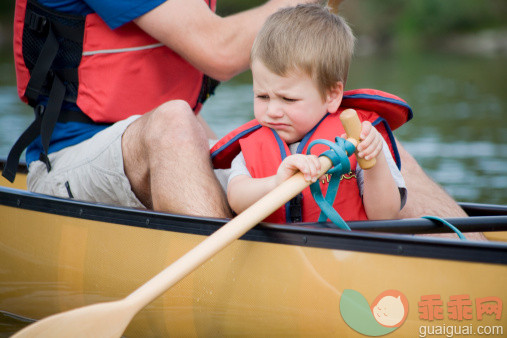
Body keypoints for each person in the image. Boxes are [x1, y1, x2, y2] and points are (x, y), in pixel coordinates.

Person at [5, 0, 324, 219]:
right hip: (65, 164)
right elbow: (219, 50)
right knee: (174, 120)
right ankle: (221, 295)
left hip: (161, 146)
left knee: (260, 155)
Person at [214, 4, 407, 223]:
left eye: (289, 99)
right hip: (279, 253)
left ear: (332, 96)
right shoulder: (253, 147)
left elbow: (386, 215)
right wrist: (276, 183)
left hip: (347, 253)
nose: (272, 111)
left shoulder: (360, 139)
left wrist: (373, 162)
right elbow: (236, 198)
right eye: (262, 96)